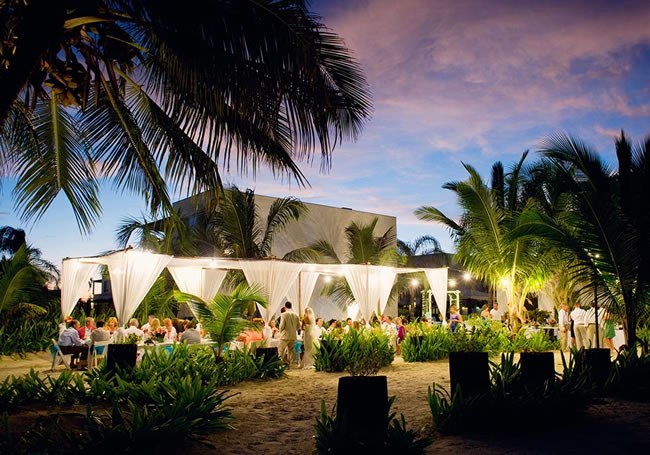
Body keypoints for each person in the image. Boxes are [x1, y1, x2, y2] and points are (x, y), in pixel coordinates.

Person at [278, 301, 300, 366]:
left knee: (281, 350)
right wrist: (294, 329)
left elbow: (281, 326)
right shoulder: (296, 314)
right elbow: (299, 326)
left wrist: (280, 332)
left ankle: (281, 364)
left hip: (285, 336)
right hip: (293, 336)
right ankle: (292, 364)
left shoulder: (284, 314)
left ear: (285, 306)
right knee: (292, 351)